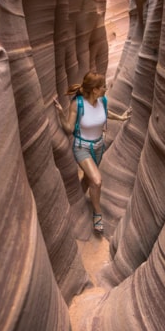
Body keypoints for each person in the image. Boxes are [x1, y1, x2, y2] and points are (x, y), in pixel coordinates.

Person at [54, 72, 131, 233]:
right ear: (95, 89)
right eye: (103, 86)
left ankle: (78, 201)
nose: (105, 88)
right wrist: (61, 114)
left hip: (98, 148)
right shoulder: (78, 104)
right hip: (82, 148)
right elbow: (69, 128)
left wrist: (121, 117)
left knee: (88, 178)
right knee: (96, 181)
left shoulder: (102, 100)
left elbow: (105, 114)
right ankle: (97, 214)